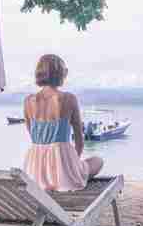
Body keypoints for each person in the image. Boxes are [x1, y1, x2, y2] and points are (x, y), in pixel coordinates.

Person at [23, 54, 104, 191]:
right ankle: (73, 175)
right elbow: (79, 139)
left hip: (35, 171)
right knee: (98, 161)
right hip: (63, 171)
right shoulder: (69, 98)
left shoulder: (28, 101)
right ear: (61, 74)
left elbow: (33, 135)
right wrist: (73, 162)